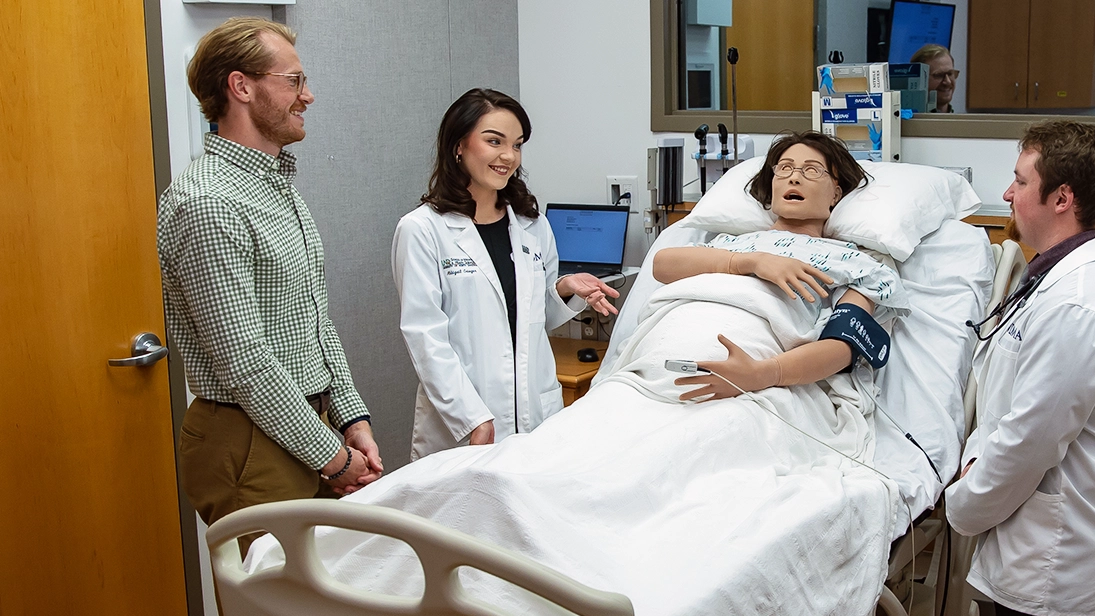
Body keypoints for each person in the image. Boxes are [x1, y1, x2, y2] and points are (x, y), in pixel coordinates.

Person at [158, 17, 380, 525]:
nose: (308, 96)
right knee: (275, 582)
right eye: (294, 81)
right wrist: (332, 456)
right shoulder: (209, 202)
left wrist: (350, 416)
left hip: (306, 423)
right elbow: (245, 362)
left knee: (329, 575)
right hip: (250, 440)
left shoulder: (274, 187)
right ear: (241, 86)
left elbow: (314, 319)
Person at [943, 120, 1095, 616]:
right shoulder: (1051, 277)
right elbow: (1006, 403)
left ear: (1062, 198)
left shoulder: (1076, 302)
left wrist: (962, 502)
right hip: (1033, 530)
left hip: (1054, 546)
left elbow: (1031, 438)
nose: (1008, 194)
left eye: (1021, 181)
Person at [392, 88, 622, 460]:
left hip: (536, 416)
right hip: (467, 423)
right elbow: (425, 338)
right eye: (494, 141)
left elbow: (536, 320)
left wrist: (564, 289)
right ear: (458, 145)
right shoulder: (422, 230)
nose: (508, 156)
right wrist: (470, 416)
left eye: (517, 145)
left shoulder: (532, 225)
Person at [652, 130, 902, 400]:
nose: (794, 177)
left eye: (812, 170)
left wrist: (764, 374)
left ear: (835, 194)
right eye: (784, 168)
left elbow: (844, 344)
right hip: (660, 352)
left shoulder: (854, 263)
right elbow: (662, 265)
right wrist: (752, 261)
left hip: (751, 372)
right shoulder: (731, 243)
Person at [911, 43, 959, 114]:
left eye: (950, 74)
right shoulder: (903, 119)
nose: (948, 82)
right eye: (939, 75)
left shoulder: (962, 120)